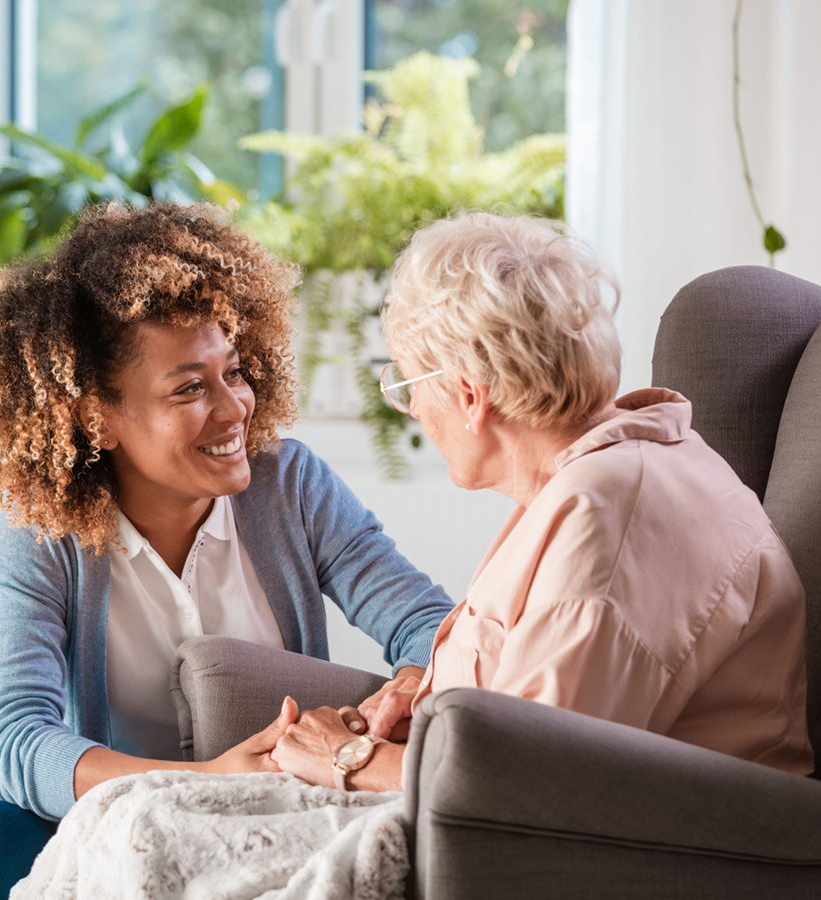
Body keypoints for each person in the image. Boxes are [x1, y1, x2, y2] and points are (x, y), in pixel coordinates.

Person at [0, 202, 453, 899]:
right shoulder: (38, 528)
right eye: (190, 388)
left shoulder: (289, 485)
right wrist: (204, 781)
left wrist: (413, 683)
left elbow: (429, 622)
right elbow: (12, 740)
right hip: (108, 823)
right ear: (96, 417)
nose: (235, 408)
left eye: (233, 371)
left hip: (272, 816)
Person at [269, 212, 814, 792]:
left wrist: (349, 757)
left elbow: (531, 782)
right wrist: (429, 700)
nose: (416, 412)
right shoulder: (602, 474)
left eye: (406, 386)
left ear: (469, 395)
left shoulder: (608, 516)